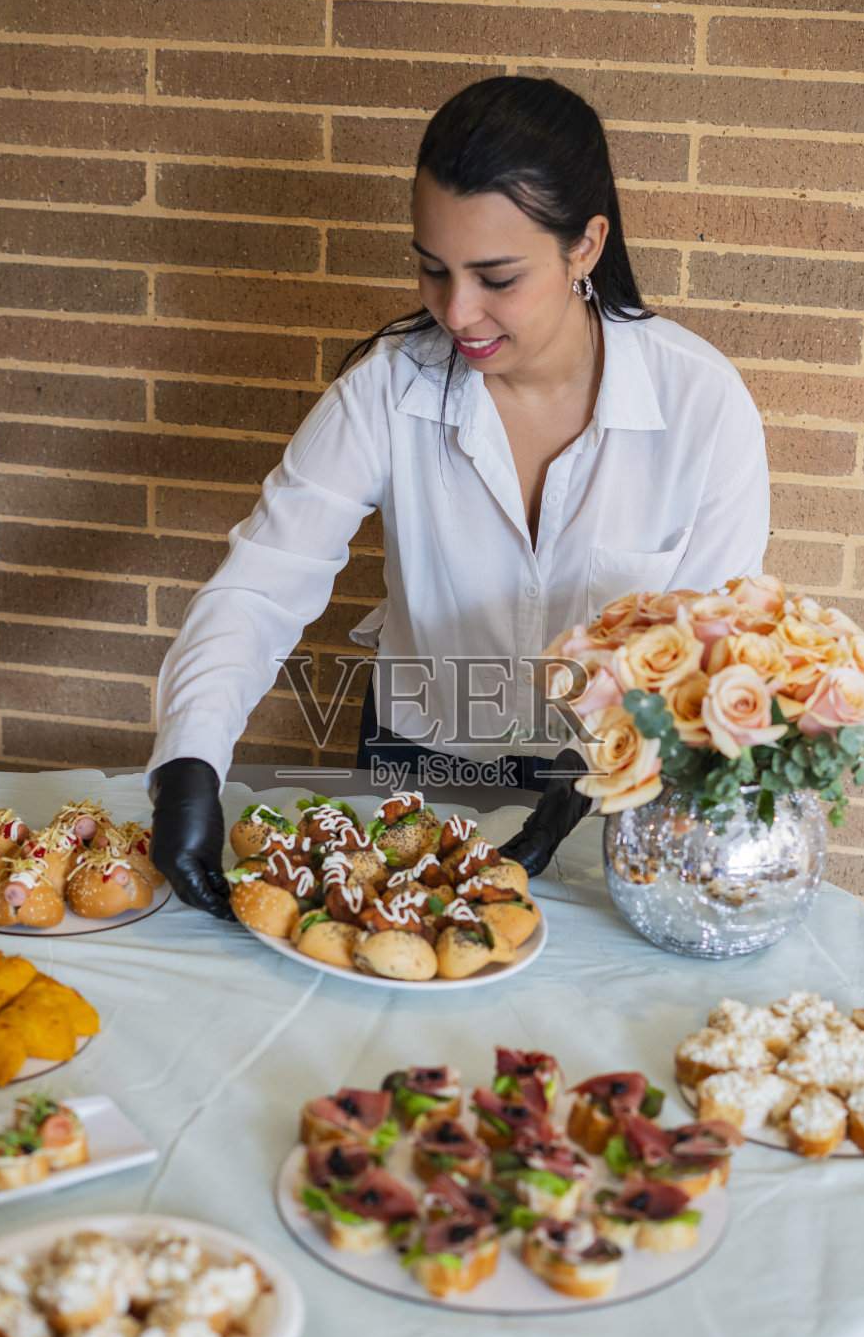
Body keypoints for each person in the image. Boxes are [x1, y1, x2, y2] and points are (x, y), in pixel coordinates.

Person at [148, 76, 769, 917]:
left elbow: (709, 643)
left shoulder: (701, 404)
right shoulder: (385, 390)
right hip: (417, 769)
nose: (455, 312)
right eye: (432, 270)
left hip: (608, 793)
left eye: (496, 277)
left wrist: (589, 777)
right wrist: (187, 767)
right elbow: (261, 585)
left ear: (584, 245)